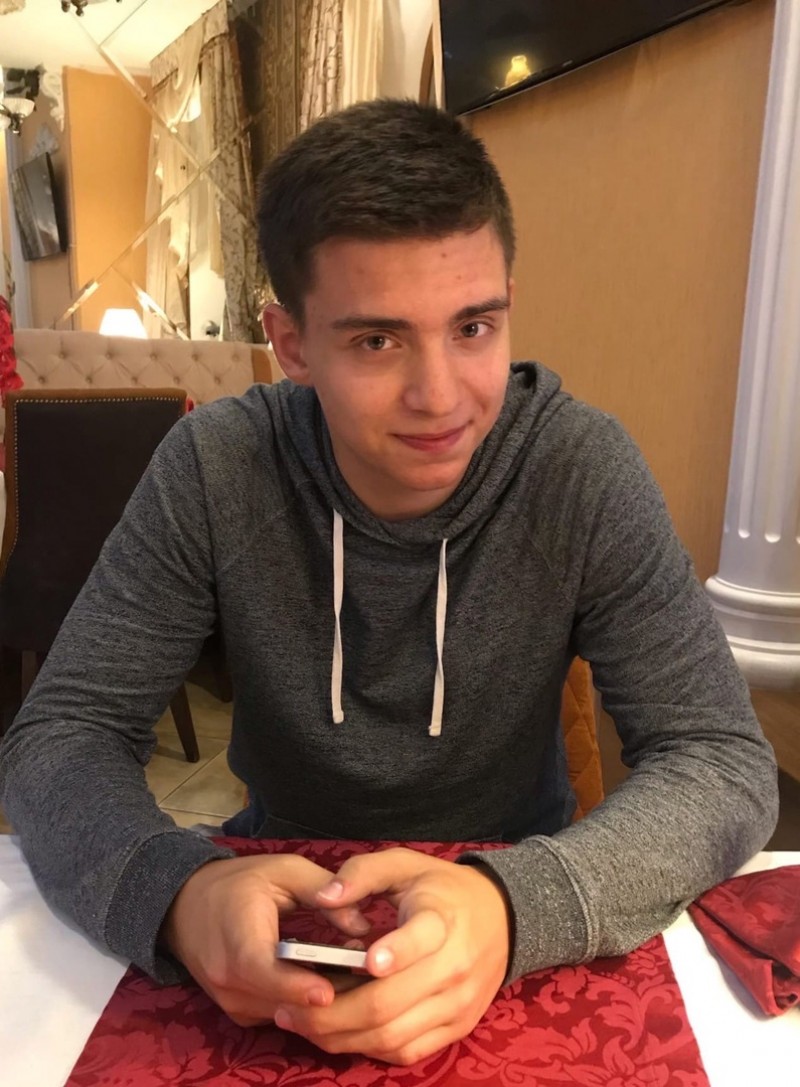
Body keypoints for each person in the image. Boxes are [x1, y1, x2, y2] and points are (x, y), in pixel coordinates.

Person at [0, 100, 777, 1066]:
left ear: (507, 304)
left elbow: (719, 758)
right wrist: (182, 892)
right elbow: (61, 735)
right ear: (291, 343)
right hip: (279, 893)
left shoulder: (580, 469)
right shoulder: (216, 468)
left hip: (517, 906)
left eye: (473, 326)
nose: (440, 396)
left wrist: (512, 904)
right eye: (377, 340)